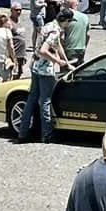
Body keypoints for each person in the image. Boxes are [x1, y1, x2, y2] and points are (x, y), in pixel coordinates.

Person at [23, 11, 69, 144]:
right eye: (69, 21)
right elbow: (44, 50)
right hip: (45, 69)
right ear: (65, 20)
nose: (69, 24)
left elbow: (58, 45)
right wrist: (58, 61)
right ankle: (47, 134)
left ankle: (23, 132)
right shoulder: (55, 32)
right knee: (45, 101)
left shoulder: (49, 26)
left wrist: (66, 60)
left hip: (35, 66)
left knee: (31, 99)